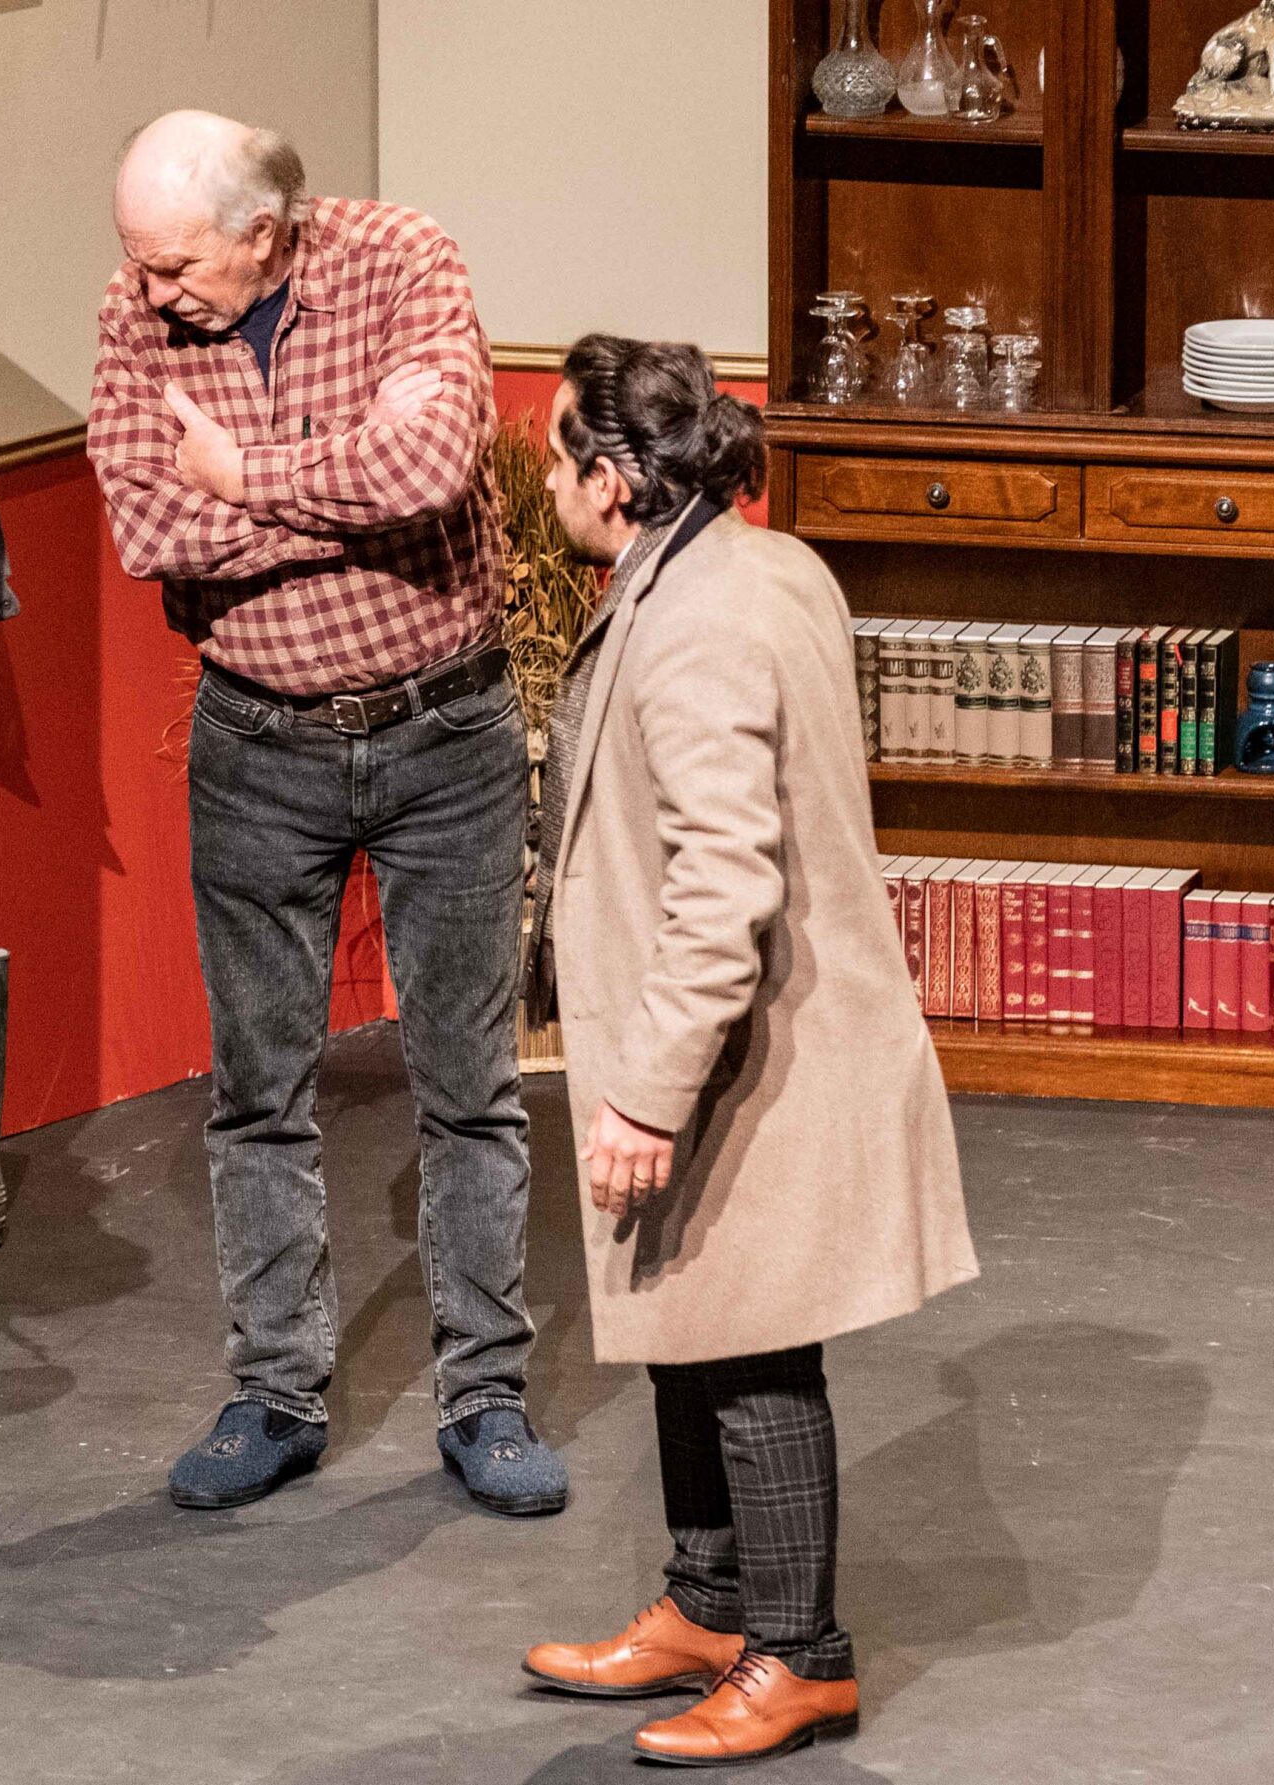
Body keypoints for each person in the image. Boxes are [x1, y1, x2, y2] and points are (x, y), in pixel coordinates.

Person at [87, 111, 564, 1516]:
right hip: (257, 743)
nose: (150, 291)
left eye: (176, 265)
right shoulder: (135, 313)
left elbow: (433, 469)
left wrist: (245, 477)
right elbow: (148, 528)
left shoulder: (402, 260)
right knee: (258, 1092)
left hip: (445, 733)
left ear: (265, 233)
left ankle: (485, 1395)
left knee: (468, 1086)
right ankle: (276, 1394)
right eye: (139, 262)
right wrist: (335, 496)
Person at [517, 338, 978, 1765]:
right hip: (746, 1033)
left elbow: (724, 883)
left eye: (554, 452)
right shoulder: (756, 566)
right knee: (689, 1323)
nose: (542, 477)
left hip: (746, 1049)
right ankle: (712, 1605)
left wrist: (649, 1095)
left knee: (758, 1350)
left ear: (611, 478)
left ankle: (801, 1656)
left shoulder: (699, 620)